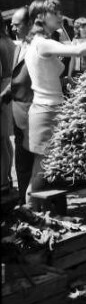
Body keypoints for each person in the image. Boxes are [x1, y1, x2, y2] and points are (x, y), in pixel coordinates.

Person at [24, 0, 86, 210]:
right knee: (40, 171)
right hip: (47, 111)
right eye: (55, 13)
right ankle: (30, 216)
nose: (61, 16)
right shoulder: (42, 43)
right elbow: (78, 52)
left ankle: (45, 212)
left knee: (48, 169)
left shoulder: (43, 42)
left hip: (51, 108)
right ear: (41, 17)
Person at [1, 7, 35, 204]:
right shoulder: (18, 45)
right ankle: (24, 203)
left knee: (37, 164)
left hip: (33, 112)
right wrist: (4, 95)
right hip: (18, 111)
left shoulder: (38, 46)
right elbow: (16, 79)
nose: (12, 27)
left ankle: (48, 207)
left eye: (16, 24)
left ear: (29, 24)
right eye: (11, 24)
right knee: (22, 164)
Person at [0, 12, 15, 193]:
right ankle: (7, 178)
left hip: (2, 90)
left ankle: (2, 181)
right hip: (11, 87)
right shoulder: (10, 41)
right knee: (5, 140)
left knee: (1, 140)